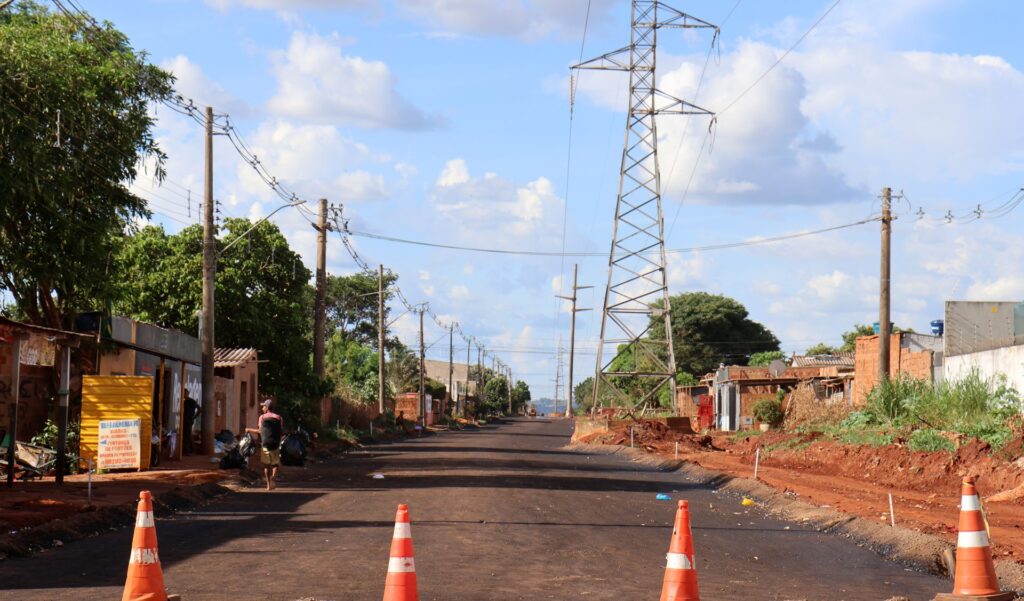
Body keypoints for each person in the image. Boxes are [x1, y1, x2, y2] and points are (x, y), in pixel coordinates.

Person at [246, 399, 284, 491]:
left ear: (267, 408)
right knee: (275, 464)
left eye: (263, 406)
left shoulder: (262, 417)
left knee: (266, 466)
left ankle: (268, 485)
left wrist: (249, 430)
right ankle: (273, 477)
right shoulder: (279, 417)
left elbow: (260, 431)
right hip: (275, 444)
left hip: (265, 444)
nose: (262, 408)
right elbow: (280, 431)